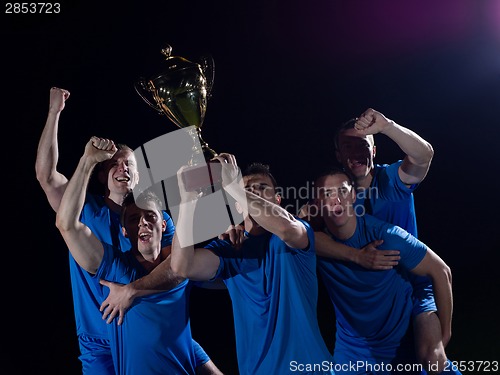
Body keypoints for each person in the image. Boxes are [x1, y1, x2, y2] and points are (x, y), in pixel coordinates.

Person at [35, 87, 221, 374]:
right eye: (113, 164)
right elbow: (46, 177)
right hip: (101, 338)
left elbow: (177, 267)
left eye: (129, 164)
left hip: (153, 322)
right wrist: (54, 112)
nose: (122, 168)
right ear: (100, 173)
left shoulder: (159, 218)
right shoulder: (84, 208)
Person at [306, 108, 457, 374]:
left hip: (412, 288)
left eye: (363, 144)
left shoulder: (391, 180)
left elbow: (424, 155)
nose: (356, 152)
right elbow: (304, 236)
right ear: (338, 155)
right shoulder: (332, 203)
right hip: (368, 305)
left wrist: (388, 126)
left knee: (432, 359)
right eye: (347, 146)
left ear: (374, 150)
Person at [55, 136, 209, 374]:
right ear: (125, 231)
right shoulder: (118, 269)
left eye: (150, 217)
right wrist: (87, 162)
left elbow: (188, 267)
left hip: (179, 352)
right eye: (134, 220)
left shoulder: (179, 268)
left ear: (165, 223)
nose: (143, 224)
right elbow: (66, 224)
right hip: (104, 345)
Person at [171, 155, 335, 375]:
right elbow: (182, 267)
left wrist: (234, 185)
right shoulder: (229, 249)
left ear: (277, 200)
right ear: (237, 205)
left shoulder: (296, 231)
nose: (255, 191)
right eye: (248, 188)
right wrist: (186, 200)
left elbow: (286, 228)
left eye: (262, 187)